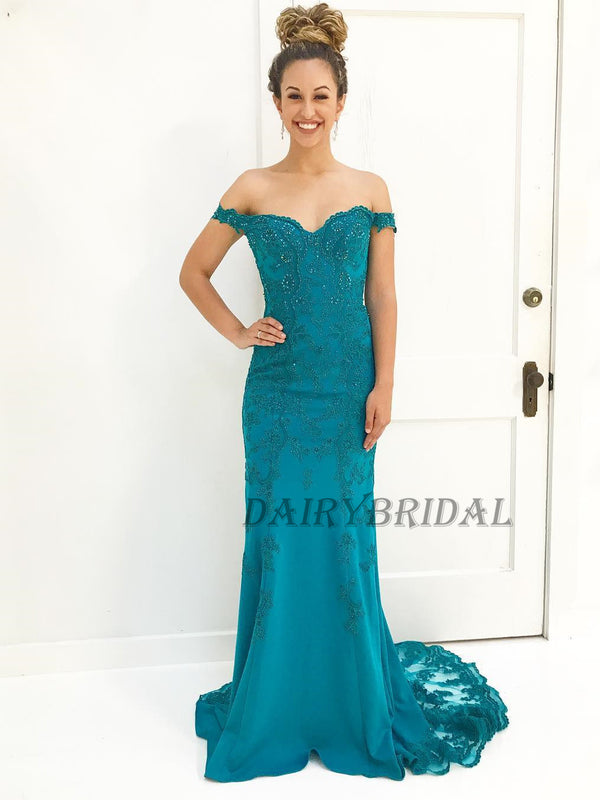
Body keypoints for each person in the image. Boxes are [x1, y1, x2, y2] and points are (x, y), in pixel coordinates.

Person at [179, 2, 509, 783]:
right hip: (277, 397)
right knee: (280, 536)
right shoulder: (251, 187)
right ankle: (278, 703)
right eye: (294, 95)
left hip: (346, 394)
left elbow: (382, 296)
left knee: (340, 538)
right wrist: (238, 331)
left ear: (341, 101)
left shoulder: (370, 188)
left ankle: (347, 699)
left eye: (320, 95)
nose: (307, 110)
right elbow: (193, 272)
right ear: (276, 101)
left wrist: (385, 383)